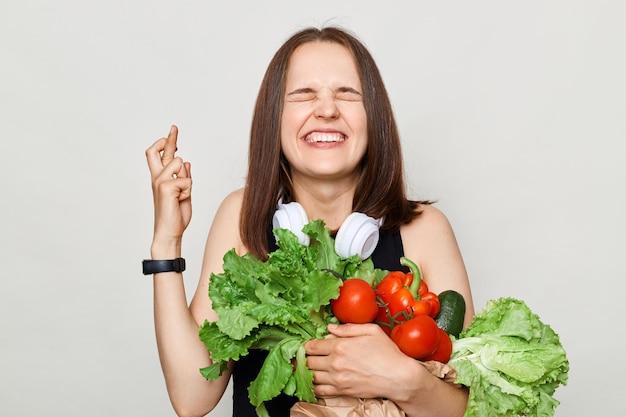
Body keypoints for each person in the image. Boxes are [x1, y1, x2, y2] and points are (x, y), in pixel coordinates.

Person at [145, 26, 475, 417]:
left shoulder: (425, 229)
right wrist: (166, 243)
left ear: (374, 118)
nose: (327, 109)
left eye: (347, 94)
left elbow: (471, 406)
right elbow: (192, 397)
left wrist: (400, 377)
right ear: (275, 117)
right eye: (303, 94)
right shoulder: (241, 216)